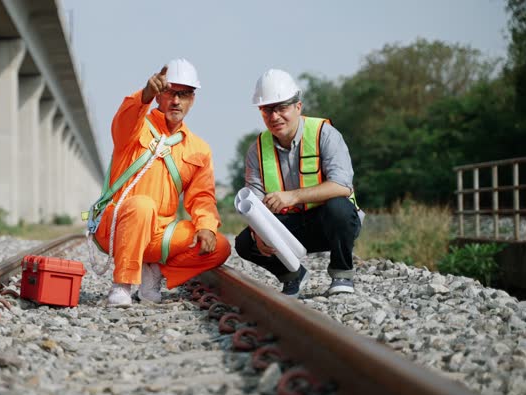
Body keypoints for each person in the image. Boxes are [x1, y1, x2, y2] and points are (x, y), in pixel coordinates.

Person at [87, 58, 230, 306]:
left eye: (183, 94)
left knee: (219, 245)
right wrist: (144, 94)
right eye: (169, 93)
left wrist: (206, 225)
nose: (176, 101)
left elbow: (202, 197)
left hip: (158, 234)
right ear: (158, 97)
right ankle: (122, 284)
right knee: (142, 205)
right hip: (117, 227)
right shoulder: (135, 128)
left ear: (192, 99)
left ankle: (152, 272)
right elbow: (125, 118)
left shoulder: (198, 149)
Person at [235, 69, 363, 297]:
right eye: (267, 110)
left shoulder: (325, 134)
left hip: (331, 223)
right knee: (245, 242)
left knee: (339, 207)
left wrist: (293, 196)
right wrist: (258, 233)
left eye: (282, 108)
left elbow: (342, 185)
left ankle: (342, 274)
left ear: (298, 107)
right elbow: (254, 202)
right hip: (291, 228)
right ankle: (293, 275)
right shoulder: (257, 149)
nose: (274, 117)